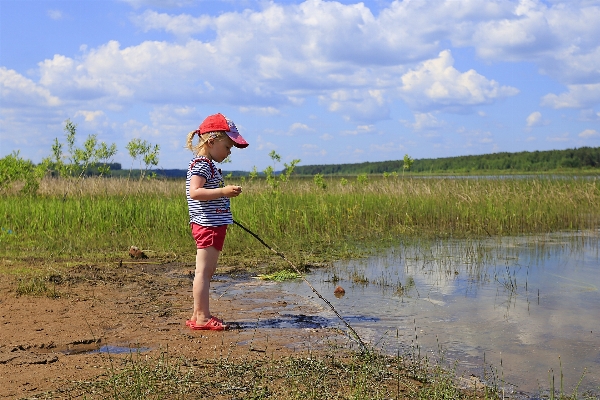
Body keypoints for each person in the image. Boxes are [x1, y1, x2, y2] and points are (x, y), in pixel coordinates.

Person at [184, 113, 249, 331]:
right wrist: (223, 191)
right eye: (228, 147)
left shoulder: (207, 164)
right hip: (208, 225)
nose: (229, 152)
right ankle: (202, 317)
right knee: (203, 272)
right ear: (211, 142)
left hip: (212, 224)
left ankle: (197, 314)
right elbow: (195, 192)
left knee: (206, 271)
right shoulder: (202, 165)